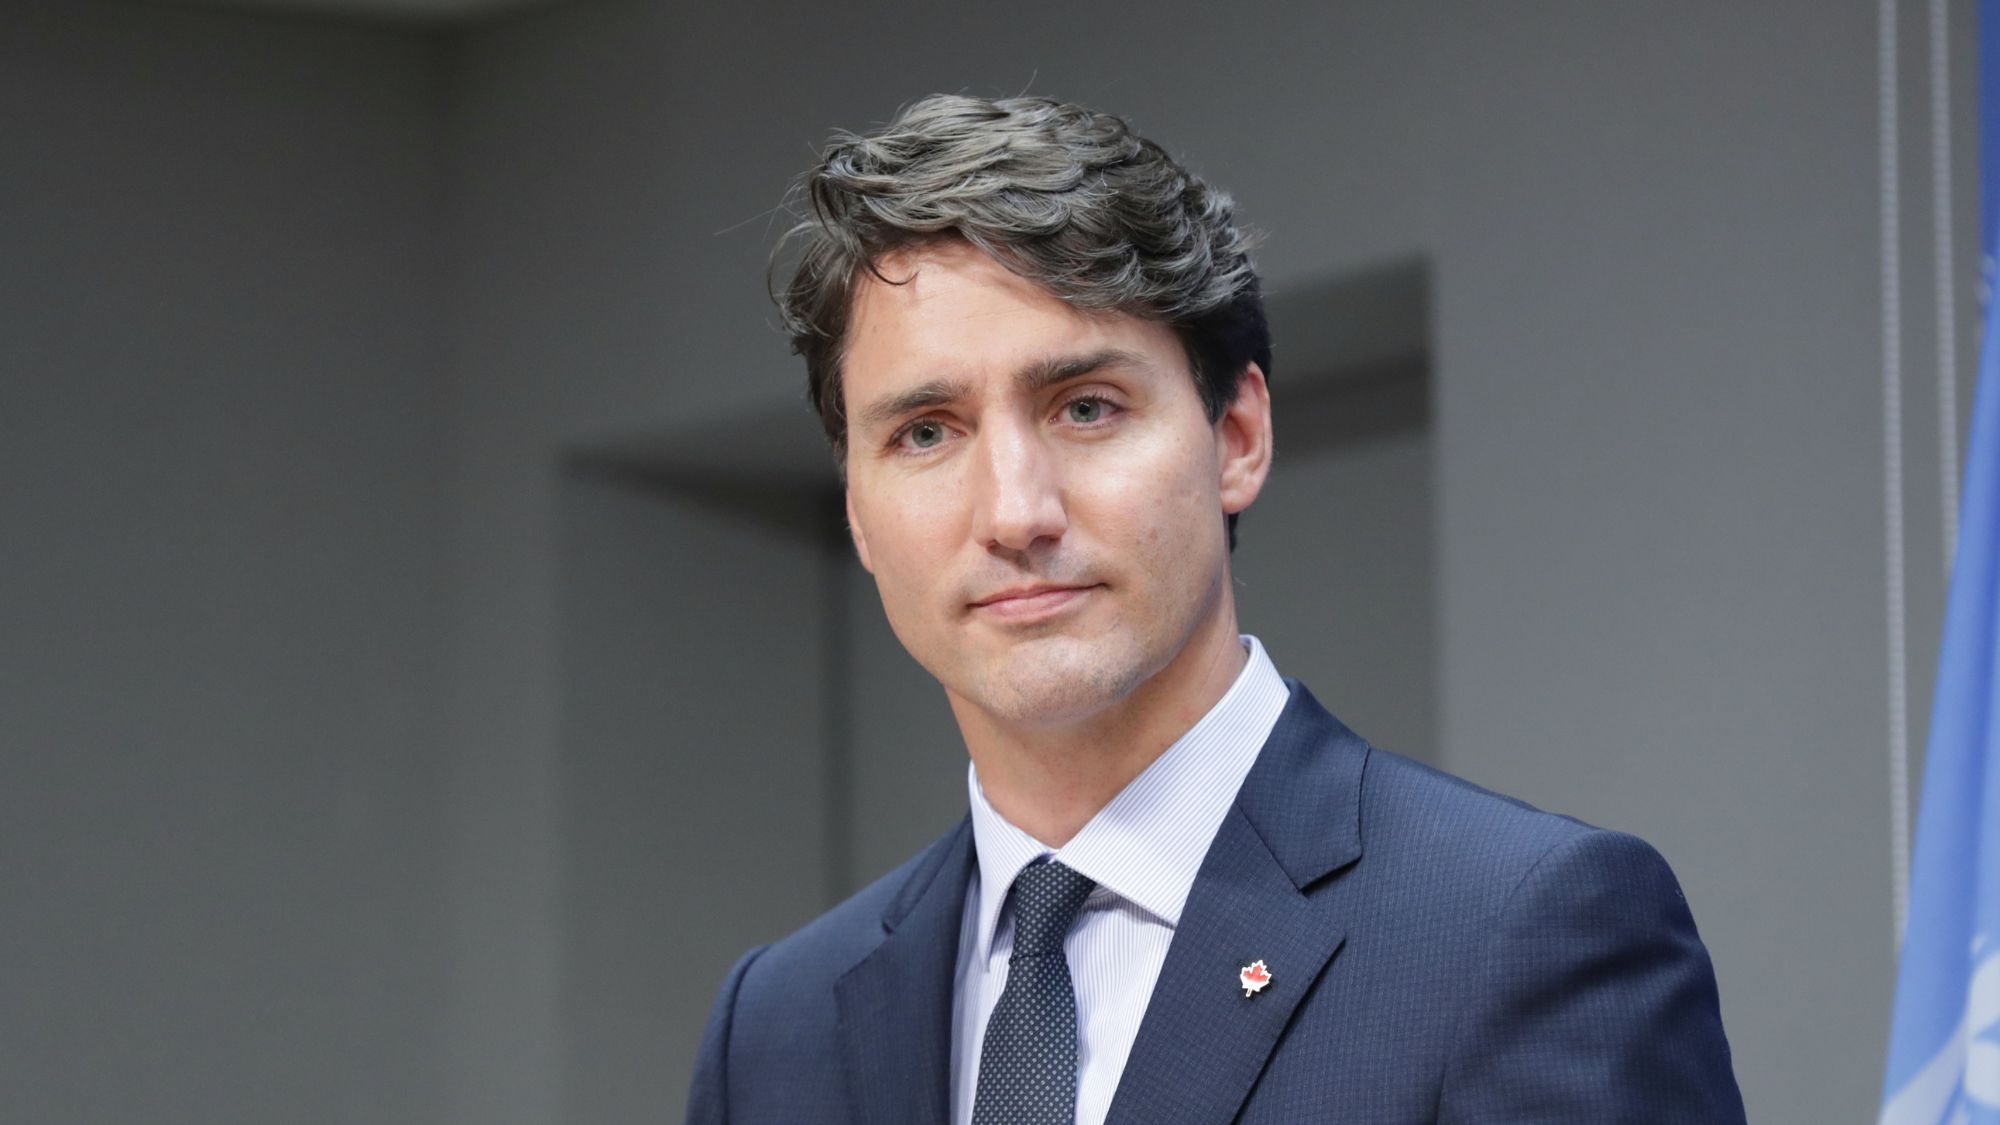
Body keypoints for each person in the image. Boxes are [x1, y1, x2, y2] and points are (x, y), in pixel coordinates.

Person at [686, 94, 1744, 1124]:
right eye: (924, 432)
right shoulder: (776, 1028)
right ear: (859, 512)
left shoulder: (1524, 931)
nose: (1014, 511)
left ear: (1235, 438)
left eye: (1086, 407)